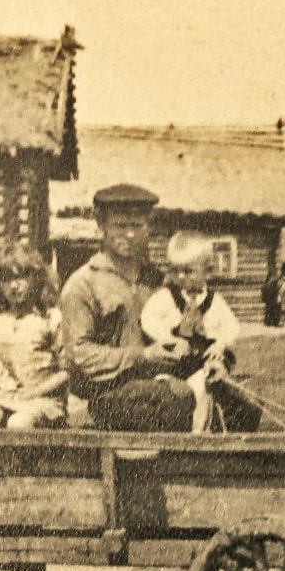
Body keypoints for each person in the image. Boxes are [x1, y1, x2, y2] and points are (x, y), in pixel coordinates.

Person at [58, 184, 195, 432]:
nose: (130, 235)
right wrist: (142, 355)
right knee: (165, 400)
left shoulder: (158, 281)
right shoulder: (83, 284)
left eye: (138, 226)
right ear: (101, 226)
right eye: (121, 226)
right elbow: (79, 354)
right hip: (102, 396)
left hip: (159, 387)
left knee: (238, 405)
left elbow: (183, 333)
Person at [141, 232, 240, 432]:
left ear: (208, 272)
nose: (180, 277)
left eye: (188, 271)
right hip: (175, 362)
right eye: (175, 270)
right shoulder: (166, 297)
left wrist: (220, 344)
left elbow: (232, 327)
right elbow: (148, 319)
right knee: (177, 394)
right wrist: (168, 339)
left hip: (204, 361)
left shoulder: (215, 302)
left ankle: (203, 431)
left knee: (206, 389)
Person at [0, 244, 68, 430]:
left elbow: (67, 370)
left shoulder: (50, 318)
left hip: (44, 400)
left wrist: (33, 393)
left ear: (36, 277)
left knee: (18, 424)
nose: (14, 286)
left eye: (22, 276)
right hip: (6, 397)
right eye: (6, 279)